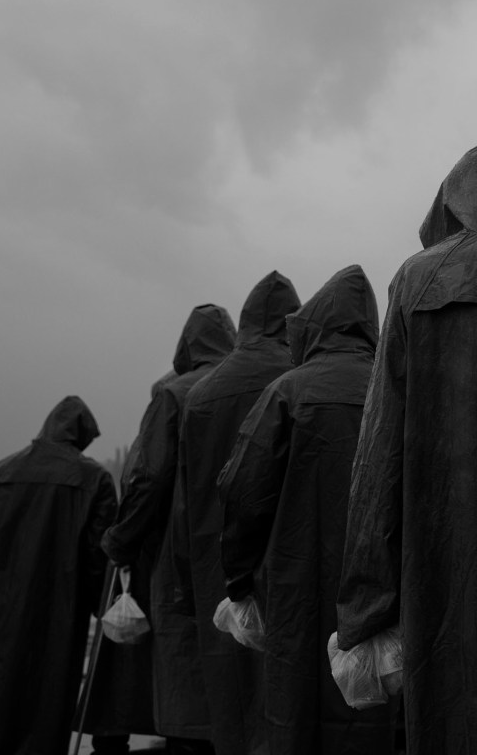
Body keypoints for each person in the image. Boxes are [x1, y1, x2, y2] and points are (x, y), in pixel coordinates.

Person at [337, 141, 477, 755]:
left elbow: (378, 456)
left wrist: (365, 609)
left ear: (447, 209)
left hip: (441, 561)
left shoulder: (417, 280)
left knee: (453, 715)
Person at [219, 265, 393, 755]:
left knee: (292, 714)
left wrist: (238, 583)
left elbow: (240, 491)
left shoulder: (289, 392)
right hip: (383, 592)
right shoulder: (399, 385)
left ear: (315, 324)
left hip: (296, 587)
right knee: (370, 715)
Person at [99, 303, 238, 755]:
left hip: (179, 559)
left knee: (184, 677)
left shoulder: (173, 394)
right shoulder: (256, 385)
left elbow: (146, 478)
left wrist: (120, 540)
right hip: (244, 554)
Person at [174, 271, 300, 755]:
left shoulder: (202, 394)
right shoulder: (302, 379)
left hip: (216, 572)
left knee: (233, 710)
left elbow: (186, 505)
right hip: (293, 568)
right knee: (290, 703)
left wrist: (190, 586)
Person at [0, 396, 117, 755]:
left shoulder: (2, 470)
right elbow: (98, 555)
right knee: (49, 696)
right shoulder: (94, 478)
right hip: (61, 610)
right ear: (83, 435)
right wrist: (100, 607)